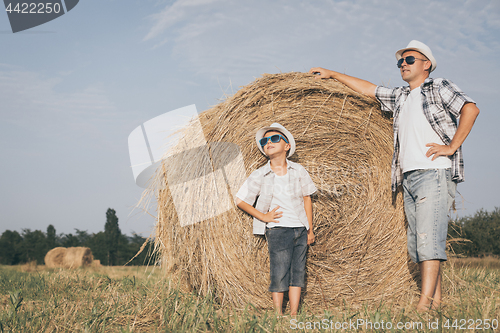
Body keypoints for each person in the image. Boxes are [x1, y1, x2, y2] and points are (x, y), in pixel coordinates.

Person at [309, 40, 479, 312]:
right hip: (408, 178)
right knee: (419, 241)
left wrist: (452, 146)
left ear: (426, 64)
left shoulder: (439, 86)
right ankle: (437, 302)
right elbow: (369, 89)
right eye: (400, 61)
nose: (403, 64)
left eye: (409, 60)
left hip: (434, 173)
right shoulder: (401, 96)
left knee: (428, 238)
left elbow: (470, 108)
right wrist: (333, 74)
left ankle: (424, 304)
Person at [235, 123, 317, 316]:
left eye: (274, 139)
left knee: (297, 273)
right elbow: (240, 200)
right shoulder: (260, 174)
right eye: (264, 141)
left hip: (299, 228)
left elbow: (307, 199)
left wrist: (310, 229)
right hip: (278, 229)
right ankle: (278, 315)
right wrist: (263, 216)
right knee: (279, 272)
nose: (268, 143)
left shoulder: (299, 170)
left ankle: (294, 315)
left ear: (287, 146)